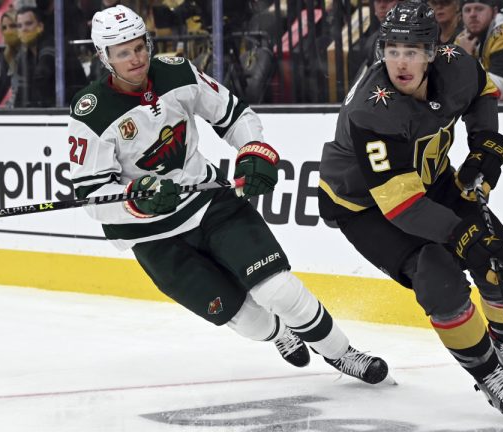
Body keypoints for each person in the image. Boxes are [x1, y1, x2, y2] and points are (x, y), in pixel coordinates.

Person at [68, 5, 391, 385]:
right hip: (153, 237)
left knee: (279, 289)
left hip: (209, 203)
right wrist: (134, 199)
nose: (136, 58)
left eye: (140, 47)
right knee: (249, 320)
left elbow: (234, 114)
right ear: (104, 57)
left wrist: (253, 149)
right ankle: (281, 333)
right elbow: (92, 198)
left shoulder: (176, 72)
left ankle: (342, 353)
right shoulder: (91, 114)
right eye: (123, 53)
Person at [319, 0, 503, 418]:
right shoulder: (371, 110)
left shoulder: (457, 65)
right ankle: (489, 371)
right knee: (439, 278)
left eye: (412, 51)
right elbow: (402, 205)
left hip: (428, 180)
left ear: (433, 53)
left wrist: (485, 144)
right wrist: (462, 236)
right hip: (365, 205)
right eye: (392, 50)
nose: (400, 62)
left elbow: (483, 92)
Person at [12, 6, 86, 107]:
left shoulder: (52, 45)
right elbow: (22, 91)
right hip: (52, 107)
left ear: (40, 26)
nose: (24, 29)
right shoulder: (25, 56)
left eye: (28, 24)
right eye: (19, 26)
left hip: (75, 104)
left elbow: (41, 76)